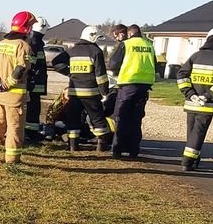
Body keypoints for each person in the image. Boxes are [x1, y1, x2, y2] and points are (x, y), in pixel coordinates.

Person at [177, 27, 213, 170]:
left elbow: (181, 75)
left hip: (191, 102)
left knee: (191, 132)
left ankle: (194, 160)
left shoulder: (195, 56)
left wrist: (190, 94)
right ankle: (187, 162)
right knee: (199, 132)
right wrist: (207, 97)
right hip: (207, 105)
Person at [0, 12, 34, 163]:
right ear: (27, 28)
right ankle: (12, 159)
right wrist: (7, 84)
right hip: (14, 97)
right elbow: (21, 69)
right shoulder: (23, 46)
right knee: (15, 128)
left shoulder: (2, 43)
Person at [107, 24, 157, 158]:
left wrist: (118, 73)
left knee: (121, 116)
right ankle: (133, 150)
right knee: (136, 118)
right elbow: (155, 65)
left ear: (129, 34)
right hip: (144, 86)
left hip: (128, 85)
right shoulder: (149, 45)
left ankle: (117, 150)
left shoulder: (127, 44)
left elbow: (113, 64)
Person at [65, 25, 114, 153]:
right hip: (90, 93)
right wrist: (105, 92)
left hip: (74, 93)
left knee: (74, 119)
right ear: (92, 37)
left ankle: (72, 146)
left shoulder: (72, 51)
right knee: (97, 118)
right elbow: (101, 76)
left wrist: (70, 73)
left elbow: (56, 62)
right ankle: (101, 145)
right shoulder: (95, 51)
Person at [23, 14, 49, 146]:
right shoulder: (34, 43)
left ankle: (31, 133)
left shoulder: (35, 42)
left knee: (34, 109)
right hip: (33, 85)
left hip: (33, 84)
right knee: (33, 110)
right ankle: (30, 135)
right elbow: (31, 65)